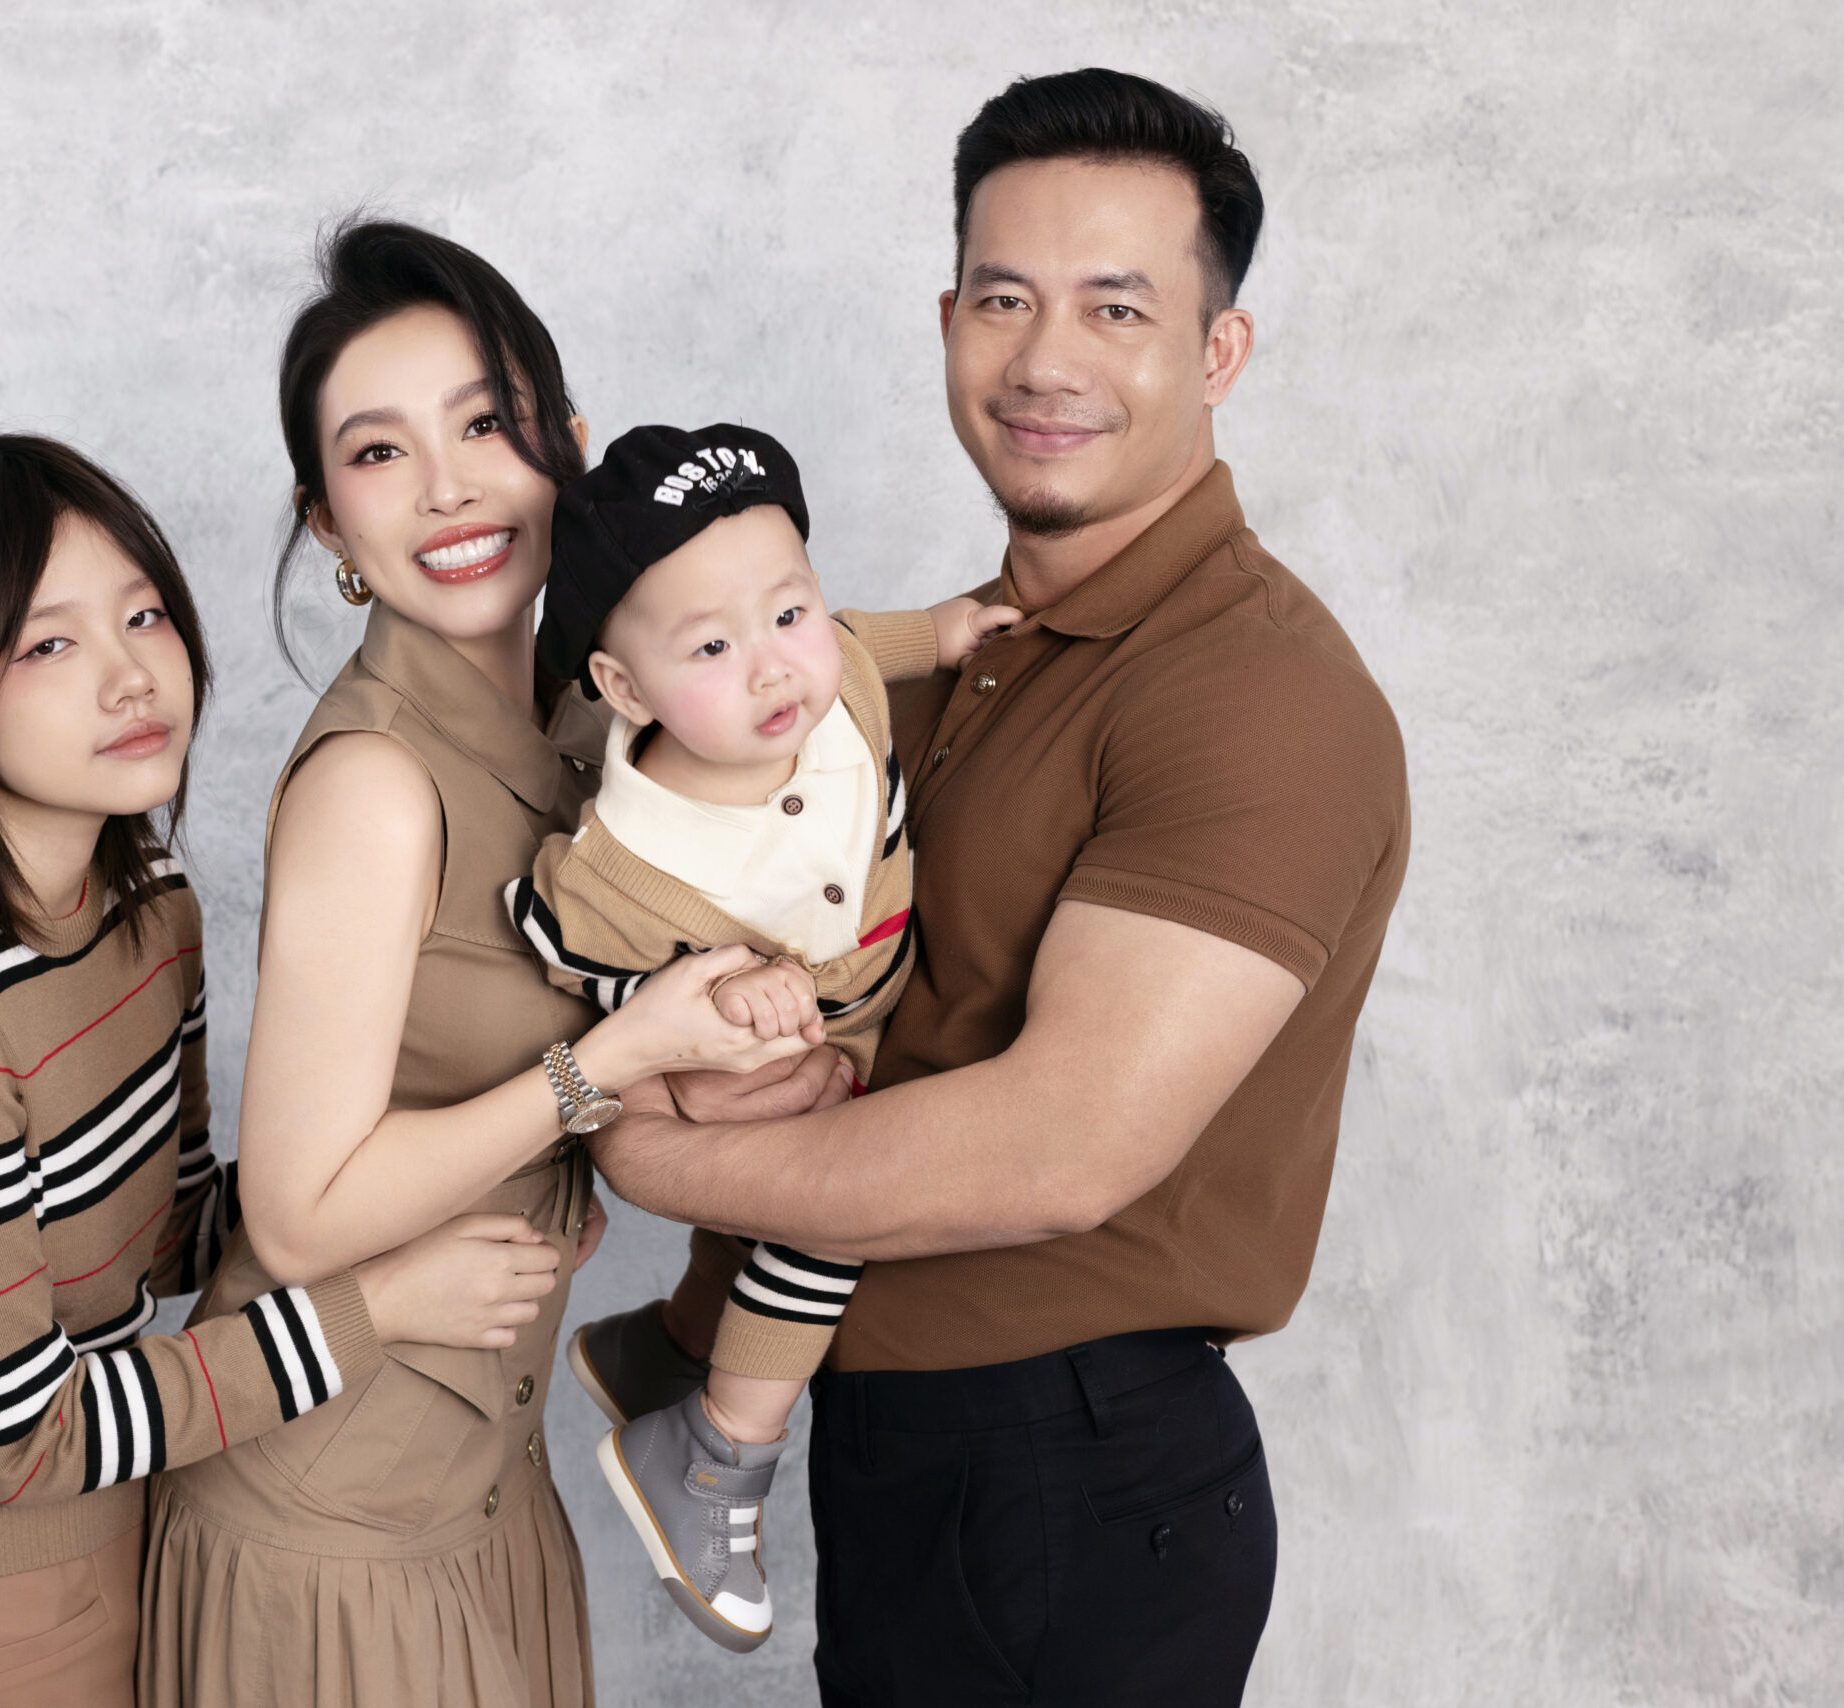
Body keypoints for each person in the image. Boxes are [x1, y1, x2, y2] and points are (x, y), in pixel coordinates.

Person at [579, 69, 1413, 1706]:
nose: (1044, 359)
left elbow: (1060, 1144)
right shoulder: (941, 657)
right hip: (927, 1450)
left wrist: (651, 1149)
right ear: (948, 320)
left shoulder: (1252, 693)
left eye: (1118, 307)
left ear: (1219, 351)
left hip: (1068, 1470)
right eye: (1003, 298)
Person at [0, 432, 561, 1707]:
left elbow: (168, 1231)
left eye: (142, 615)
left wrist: (449, 1174)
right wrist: (377, 1307)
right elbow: (19, 1442)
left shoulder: (149, 916)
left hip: (110, 1549)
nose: (131, 674)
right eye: (47, 645)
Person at [136, 223, 802, 1708]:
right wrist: (602, 1070)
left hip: (485, 1496)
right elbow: (296, 1215)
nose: (448, 488)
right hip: (330, 1531)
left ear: (568, 443)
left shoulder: (597, 723)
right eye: (380, 454)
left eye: (487, 424)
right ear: (327, 523)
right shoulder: (377, 784)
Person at [501, 421, 1017, 1650]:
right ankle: (718, 1447)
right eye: (712, 647)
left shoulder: (838, 687)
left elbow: (871, 640)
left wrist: (952, 627)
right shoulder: (624, 866)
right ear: (625, 689)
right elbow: (584, 977)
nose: (774, 667)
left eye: (788, 612)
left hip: (880, 1014)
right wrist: (712, 1002)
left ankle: (667, 1345)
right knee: (835, 1210)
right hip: (777, 1078)